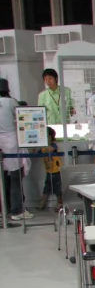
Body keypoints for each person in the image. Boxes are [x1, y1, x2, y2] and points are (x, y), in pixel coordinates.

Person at [0, 78, 32, 221]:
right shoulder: (11, 102)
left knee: (3, 179)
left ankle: (4, 209)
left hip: (1, 146)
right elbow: (23, 118)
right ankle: (17, 210)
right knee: (15, 178)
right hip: (12, 142)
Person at [38, 127, 63, 212]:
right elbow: (37, 152)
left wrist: (43, 147)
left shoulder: (54, 145)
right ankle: (42, 203)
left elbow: (50, 149)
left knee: (57, 189)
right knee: (46, 188)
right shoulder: (43, 147)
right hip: (49, 171)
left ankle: (60, 203)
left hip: (57, 171)